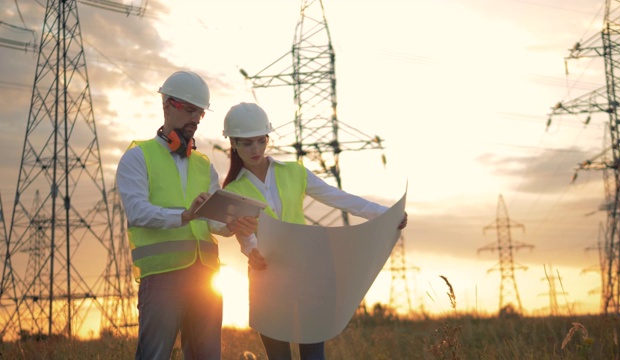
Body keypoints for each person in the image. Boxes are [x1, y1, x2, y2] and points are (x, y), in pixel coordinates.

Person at [220, 102, 408, 360]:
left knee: (313, 356)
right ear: (233, 144)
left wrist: (384, 214)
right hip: (266, 280)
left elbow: (338, 198)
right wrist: (251, 251)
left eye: (260, 141)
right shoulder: (233, 191)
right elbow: (244, 235)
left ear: (267, 139)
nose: (255, 149)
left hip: (306, 275)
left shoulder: (294, 173)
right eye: (246, 143)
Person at [116, 71, 257, 360]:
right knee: (154, 355)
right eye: (190, 110)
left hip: (206, 278)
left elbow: (211, 221)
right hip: (161, 276)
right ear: (168, 105)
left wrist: (231, 224)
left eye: (200, 113)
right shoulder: (138, 157)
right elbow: (137, 211)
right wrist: (184, 215)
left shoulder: (204, 165)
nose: (195, 119)